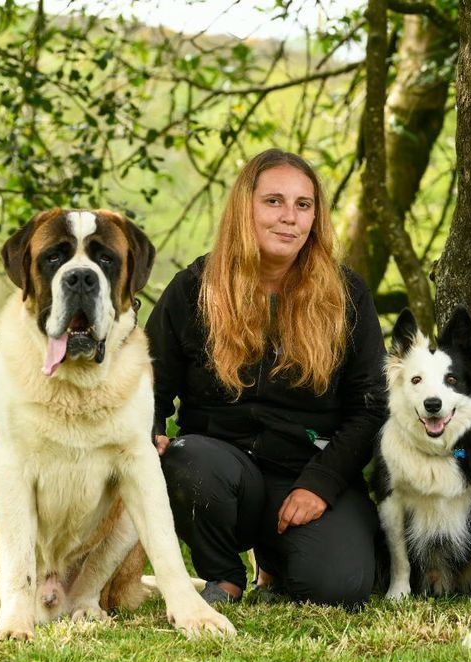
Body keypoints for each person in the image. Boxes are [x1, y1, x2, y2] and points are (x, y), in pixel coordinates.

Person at [146, 148, 386, 607]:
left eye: (303, 205)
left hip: (309, 469)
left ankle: (275, 563)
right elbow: (150, 381)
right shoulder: (195, 288)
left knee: (338, 588)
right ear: (245, 209)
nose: (289, 218)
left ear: (315, 217)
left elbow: (371, 405)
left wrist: (322, 484)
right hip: (221, 469)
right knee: (186, 459)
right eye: (273, 201)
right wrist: (150, 430)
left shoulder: (347, 294)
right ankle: (225, 575)